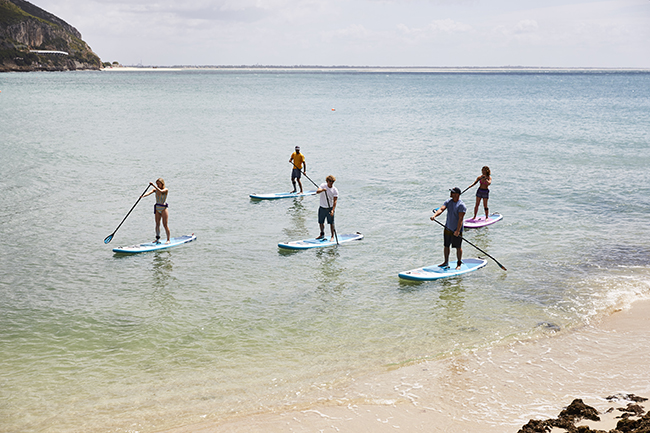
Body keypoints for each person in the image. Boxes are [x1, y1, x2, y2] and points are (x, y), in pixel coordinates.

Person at [431, 187, 466, 270]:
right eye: (451, 192)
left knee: (458, 247)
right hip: (447, 228)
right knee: (446, 246)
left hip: (457, 229)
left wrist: (457, 230)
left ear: (457, 195)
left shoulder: (461, 205)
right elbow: (441, 209)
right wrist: (434, 216)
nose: (451, 193)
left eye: (453, 192)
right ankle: (446, 262)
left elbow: (460, 219)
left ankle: (459, 263)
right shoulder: (448, 201)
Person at [142, 178, 170, 244]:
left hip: (163, 208)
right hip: (157, 208)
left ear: (162, 183)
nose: (157, 185)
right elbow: (149, 193)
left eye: (158, 184)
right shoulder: (155, 189)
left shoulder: (166, 189)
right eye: (156, 184)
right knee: (157, 224)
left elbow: (161, 191)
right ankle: (157, 239)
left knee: (165, 224)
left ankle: (168, 239)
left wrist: (153, 185)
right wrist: (143, 196)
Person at [316, 175, 338, 241]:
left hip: (329, 208)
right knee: (321, 222)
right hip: (322, 207)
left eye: (333, 181)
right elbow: (317, 191)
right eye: (330, 181)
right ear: (327, 181)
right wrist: (322, 190)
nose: (331, 183)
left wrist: (333, 210)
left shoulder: (335, 190)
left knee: (331, 223)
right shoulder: (323, 185)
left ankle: (332, 236)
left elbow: (335, 201)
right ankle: (322, 234)